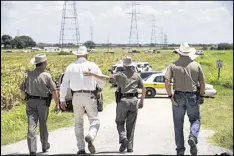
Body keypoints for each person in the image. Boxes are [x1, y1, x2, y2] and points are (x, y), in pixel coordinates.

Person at [84, 56, 146, 153]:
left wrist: (92, 74)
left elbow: (106, 78)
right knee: (131, 125)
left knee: (120, 122)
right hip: (134, 100)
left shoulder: (120, 75)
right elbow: (144, 88)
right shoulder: (137, 75)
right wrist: (141, 101)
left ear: (124, 65)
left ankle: (123, 138)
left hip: (123, 101)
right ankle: (129, 147)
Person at [59, 46, 106, 154]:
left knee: (78, 122)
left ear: (77, 55)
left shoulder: (70, 67)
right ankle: (91, 134)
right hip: (89, 95)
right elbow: (101, 79)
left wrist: (62, 99)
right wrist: (100, 87)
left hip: (76, 96)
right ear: (86, 55)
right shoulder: (93, 65)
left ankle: (81, 148)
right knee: (94, 120)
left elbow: (64, 84)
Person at [164, 43, 205, 156]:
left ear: (179, 52)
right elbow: (202, 83)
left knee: (178, 124)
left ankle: (180, 150)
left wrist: (170, 96)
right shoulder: (196, 65)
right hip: (192, 96)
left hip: (178, 96)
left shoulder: (172, 65)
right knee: (195, 119)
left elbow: (167, 82)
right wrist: (201, 96)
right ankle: (192, 136)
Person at [19, 54, 60, 156]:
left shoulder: (27, 75)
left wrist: (25, 98)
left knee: (31, 126)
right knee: (43, 124)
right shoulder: (47, 75)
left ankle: (32, 150)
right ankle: (45, 145)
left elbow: (21, 89)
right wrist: (57, 104)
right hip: (43, 103)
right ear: (43, 64)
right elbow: (54, 91)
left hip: (30, 102)